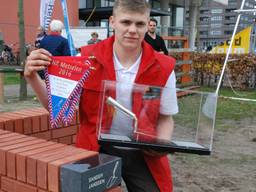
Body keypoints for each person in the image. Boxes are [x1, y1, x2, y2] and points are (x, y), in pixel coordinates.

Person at [24, 0, 178, 191]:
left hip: (142, 151)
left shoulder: (163, 67)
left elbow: (166, 117)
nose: (132, 30)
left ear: (149, 25)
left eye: (139, 24)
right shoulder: (87, 60)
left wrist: (161, 144)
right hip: (95, 147)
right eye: (126, 22)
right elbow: (56, 107)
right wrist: (31, 77)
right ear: (112, 22)